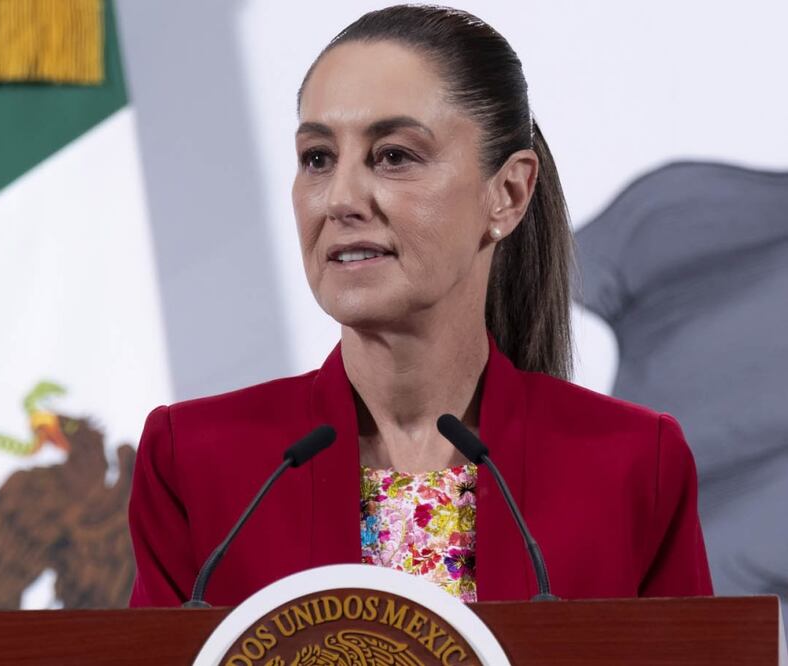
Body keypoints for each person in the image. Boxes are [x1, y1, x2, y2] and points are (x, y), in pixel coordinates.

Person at [127, 5, 713, 608]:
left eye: (393, 156)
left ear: (508, 194)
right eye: (318, 158)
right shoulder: (195, 461)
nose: (341, 199)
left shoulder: (634, 464)